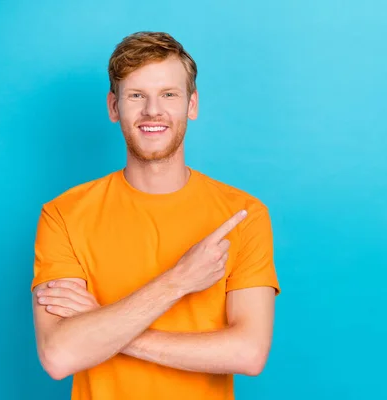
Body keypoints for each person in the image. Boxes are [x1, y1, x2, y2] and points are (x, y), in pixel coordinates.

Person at [30, 31, 281, 400]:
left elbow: (248, 353)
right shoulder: (62, 215)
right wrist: (179, 281)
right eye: (136, 95)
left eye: (168, 94)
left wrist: (103, 325)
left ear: (191, 105)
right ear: (114, 108)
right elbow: (59, 355)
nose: (152, 111)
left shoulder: (243, 215)